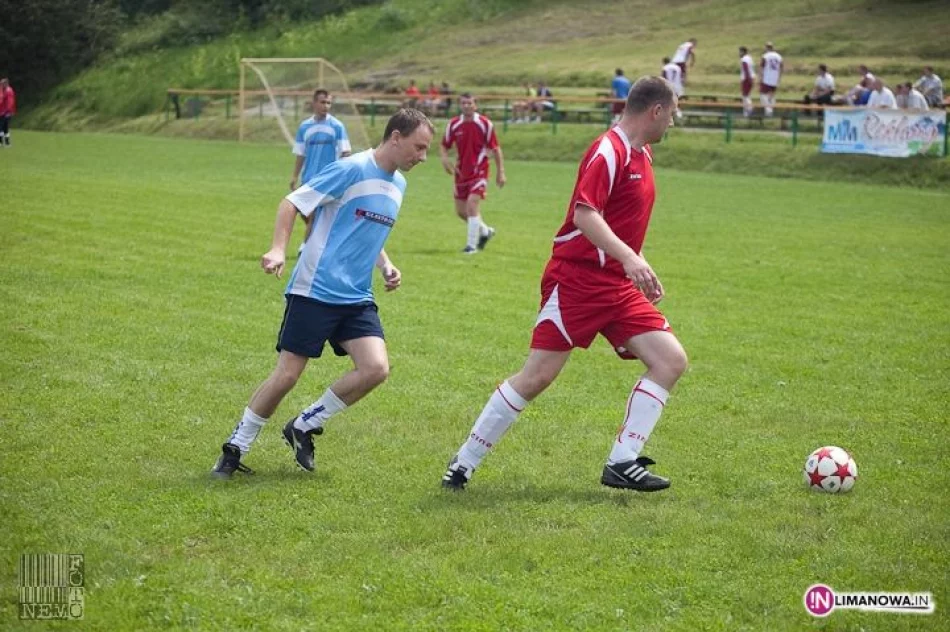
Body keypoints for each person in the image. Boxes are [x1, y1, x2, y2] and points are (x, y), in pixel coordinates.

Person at [441, 76, 687, 493]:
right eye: (673, 113)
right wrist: (629, 258)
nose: (674, 123)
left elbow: (620, 222)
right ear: (656, 111)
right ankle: (463, 462)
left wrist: (638, 265)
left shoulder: (643, 154)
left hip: (615, 285)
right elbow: (584, 215)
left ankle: (622, 461)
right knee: (536, 377)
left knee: (670, 360)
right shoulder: (607, 151)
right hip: (576, 281)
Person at [211, 109, 435, 478]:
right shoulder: (351, 169)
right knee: (286, 376)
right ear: (395, 137)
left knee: (376, 368)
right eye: (419, 147)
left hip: (355, 295)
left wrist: (386, 265)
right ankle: (235, 447)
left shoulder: (399, 185)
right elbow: (292, 202)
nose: (422, 157)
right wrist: (279, 249)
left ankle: (303, 424)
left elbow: (365, 227)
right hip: (315, 289)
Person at [440, 93, 506, 254]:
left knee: (472, 205)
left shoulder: (485, 124)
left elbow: (496, 149)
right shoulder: (454, 124)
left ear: (475, 105)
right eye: (463, 103)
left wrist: (500, 172)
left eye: (470, 103)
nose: (467, 105)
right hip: (461, 173)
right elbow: (444, 145)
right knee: (461, 212)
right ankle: (485, 231)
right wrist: (445, 160)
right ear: (460, 105)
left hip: (480, 171)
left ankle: (471, 246)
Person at [290, 90, 352, 252]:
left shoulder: (337, 126)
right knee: (302, 209)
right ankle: (319, 238)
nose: (326, 106)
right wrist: (295, 176)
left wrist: (343, 174)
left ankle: (305, 247)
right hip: (309, 177)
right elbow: (301, 153)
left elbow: (345, 151)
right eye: (323, 102)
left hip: (328, 178)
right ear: (314, 103)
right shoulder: (305, 127)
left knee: (316, 213)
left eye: (328, 103)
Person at [759, 42, 784, 116]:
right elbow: (781, 68)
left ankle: (768, 110)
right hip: (775, 79)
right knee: (771, 95)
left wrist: (760, 77)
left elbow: (761, 67)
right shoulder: (779, 56)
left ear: (767, 48)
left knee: (763, 95)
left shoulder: (765, 56)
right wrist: (779, 78)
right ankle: (771, 110)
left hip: (767, 78)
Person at [738, 46, 756, 117]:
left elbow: (746, 70)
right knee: (746, 95)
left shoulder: (744, 59)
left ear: (743, 52)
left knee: (745, 95)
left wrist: (748, 79)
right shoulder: (749, 58)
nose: (739, 53)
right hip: (751, 77)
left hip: (747, 79)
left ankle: (749, 110)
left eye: (740, 52)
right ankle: (747, 111)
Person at [0, 78, 16, 147]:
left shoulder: (8, 91)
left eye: (2, 84)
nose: (1, 85)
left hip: (5, 112)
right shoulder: (4, 90)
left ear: (6, 84)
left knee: (1, 127)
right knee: (5, 128)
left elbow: (10, 103)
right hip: (3, 112)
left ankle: (1, 142)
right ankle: (7, 143)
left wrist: (7, 111)